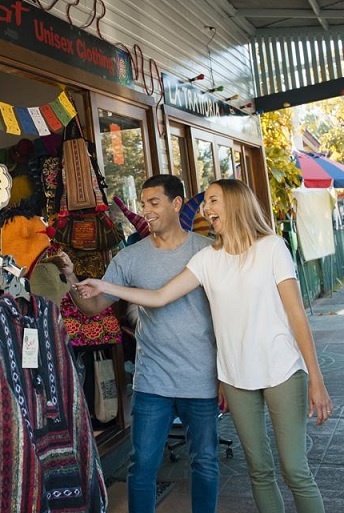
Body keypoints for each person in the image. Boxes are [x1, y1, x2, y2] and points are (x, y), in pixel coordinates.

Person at [74, 178, 333, 513]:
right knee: (260, 471)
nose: (206, 209)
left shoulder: (271, 247)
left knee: (294, 470)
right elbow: (159, 297)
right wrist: (104, 285)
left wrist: (316, 378)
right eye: (206, 203)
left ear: (236, 203)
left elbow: (297, 314)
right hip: (235, 379)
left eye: (213, 201)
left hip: (281, 370)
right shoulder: (209, 258)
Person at [56, 174, 219, 513]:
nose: (146, 210)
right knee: (142, 467)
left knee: (205, 463)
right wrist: (71, 278)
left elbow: (225, 316)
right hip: (152, 380)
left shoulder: (205, 251)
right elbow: (92, 307)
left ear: (176, 204)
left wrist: (225, 377)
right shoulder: (130, 258)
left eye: (154, 203)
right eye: (143, 204)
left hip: (201, 377)